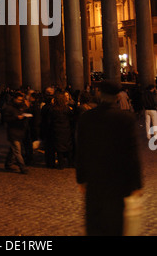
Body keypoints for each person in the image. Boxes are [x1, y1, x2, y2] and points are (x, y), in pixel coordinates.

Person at [75, 81, 142, 236]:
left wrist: (81, 178)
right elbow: (132, 154)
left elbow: (81, 151)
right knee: (115, 223)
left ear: (99, 95)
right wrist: (136, 184)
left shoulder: (87, 118)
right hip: (118, 181)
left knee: (95, 223)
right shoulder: (126, 118)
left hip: (95, 179)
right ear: (117, 97)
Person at [3, 93, 29, 174]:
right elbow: (6, 119)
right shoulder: (9, 108)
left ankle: (8, 164)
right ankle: (22, 167)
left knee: (13, 149)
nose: (20, 101)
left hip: (20, 131)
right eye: (18, 99)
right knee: (17, 151)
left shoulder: (21, 107)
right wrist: (16, 117)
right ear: (14, 99)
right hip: (13, 132)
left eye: (21, 100)